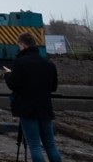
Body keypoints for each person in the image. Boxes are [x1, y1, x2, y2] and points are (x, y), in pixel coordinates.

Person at [6, 32, 61, 162]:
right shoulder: (49, 64)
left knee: (35, 146)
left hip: (27, 109)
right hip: (45, 108)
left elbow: (13, 85)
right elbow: (53, 87)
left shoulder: (20, 63)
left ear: (23, 46)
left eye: (19, 45)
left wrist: (8, 75)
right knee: (50, 144)